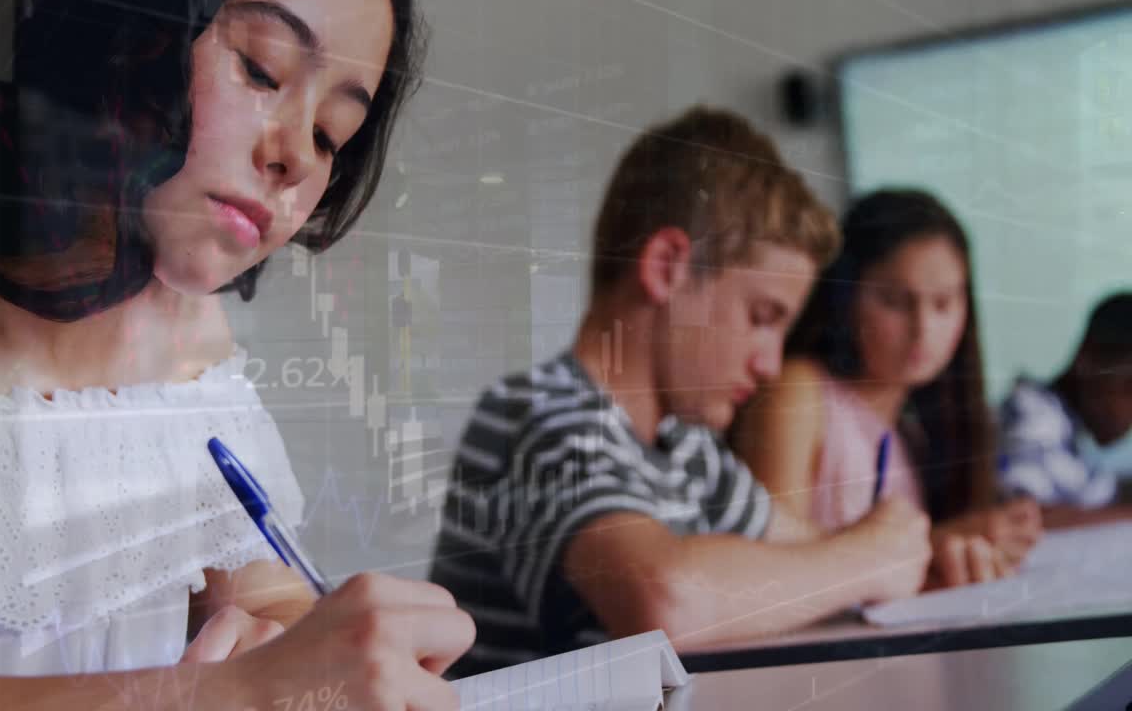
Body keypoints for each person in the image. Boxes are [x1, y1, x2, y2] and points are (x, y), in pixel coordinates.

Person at [0, 0, 475, 708]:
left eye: (331, 134)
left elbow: (271, 600)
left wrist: (293, 648)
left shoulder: (186, 331)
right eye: (262, 70)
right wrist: (230, 691)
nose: (299, 155)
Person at [429, 107, 936, 677]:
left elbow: (811, 557)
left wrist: (924, 557)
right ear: (667, 266)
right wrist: (870, 559)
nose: (770, 364)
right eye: (762, 317)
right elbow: (665, 602)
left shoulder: (686, 447)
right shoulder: (538, 415)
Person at [733, 189, 1042, 589]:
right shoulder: (798, 392)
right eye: (895, 301)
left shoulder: (910, 432)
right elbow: (769, 569)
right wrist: (935, 544)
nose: (923, 329)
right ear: (846, 296)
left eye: (943, 304)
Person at [998, 292, 1132, 528]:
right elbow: (1019, 520)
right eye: (1130, 385)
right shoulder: (1034, 418)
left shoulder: (1067, 434)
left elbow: (1098, 493)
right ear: (1088, 360)